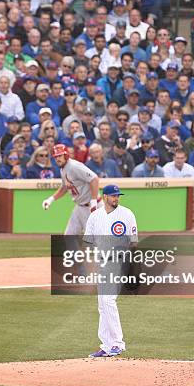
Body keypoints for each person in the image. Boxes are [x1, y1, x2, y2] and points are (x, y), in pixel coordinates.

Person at [84, 184, 138, 357]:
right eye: (113, 196)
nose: (116, 198)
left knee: (108, 301)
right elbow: (88, 243)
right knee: (102, 305)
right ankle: (106, 345)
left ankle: (117, 343)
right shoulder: (94, 216)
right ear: (104, 196)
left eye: (118, 196)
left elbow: (133, 242)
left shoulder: (127, 214)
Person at [42, 144, 101, 235]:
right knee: (69, 237)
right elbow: (65, 187)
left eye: (60, 156)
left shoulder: (74, 166)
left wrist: (93, 201)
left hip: (91, 206)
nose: (58, 159)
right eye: (56, 157)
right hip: (80, 206)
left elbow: (94, 179)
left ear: (66, 155)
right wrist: (51, 199)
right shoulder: (63, 169)